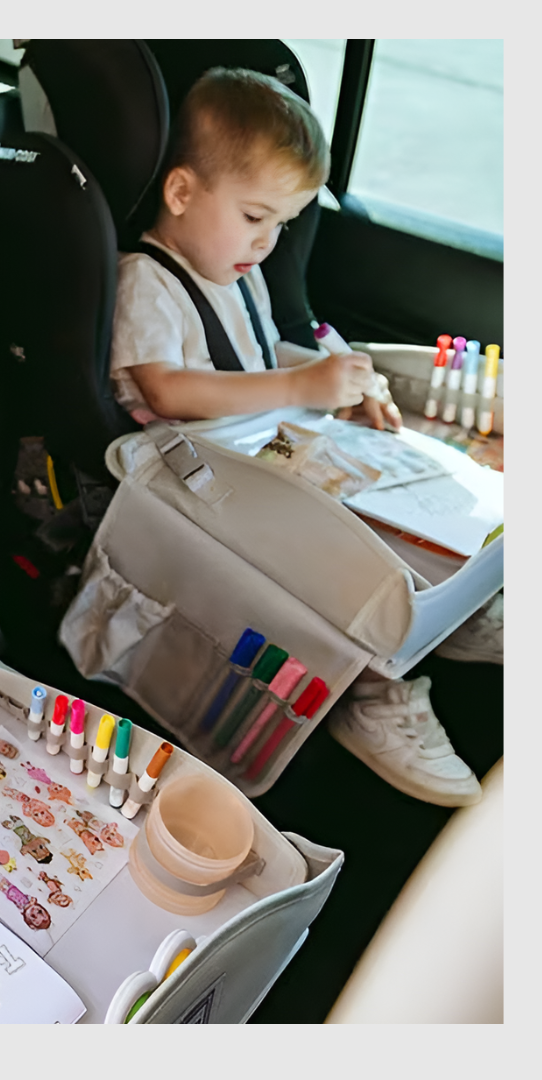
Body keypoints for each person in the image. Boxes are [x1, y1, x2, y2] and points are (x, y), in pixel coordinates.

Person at [110, 68, 496, 807]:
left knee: (390, 509)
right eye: (255, 215)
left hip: (260, 456)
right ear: (182, 192)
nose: (268, 241)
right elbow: (168, 389)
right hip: (195, 485)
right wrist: (298, 388)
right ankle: (373, 690)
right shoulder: (146, 281)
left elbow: (253, 357)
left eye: (283, 224)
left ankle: (450, 613)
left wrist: (332, 377)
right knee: (333, 557)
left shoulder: (239, 273)